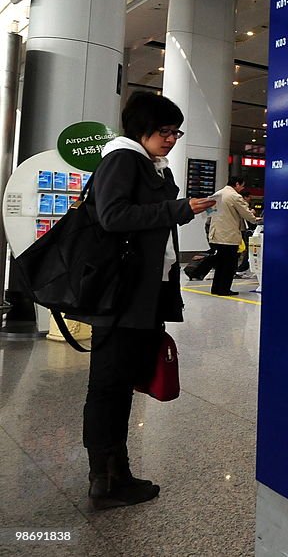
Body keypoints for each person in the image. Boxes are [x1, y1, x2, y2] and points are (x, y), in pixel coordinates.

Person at [81, 91, 216, 509]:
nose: (172, 139)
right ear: (142, 129)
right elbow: (113, 216)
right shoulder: (123, 158)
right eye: (164, 131)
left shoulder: (149, 164)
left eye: (176, 132)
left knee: (119, 384)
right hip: (121, 294)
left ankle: (115, 474)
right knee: (109, 385)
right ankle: (105, 479)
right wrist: (177, 209)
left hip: (141, 292)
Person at [207, 176, 258, 295]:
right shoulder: (234, 196)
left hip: (215, 234)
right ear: (237, 184)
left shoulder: (217, 194)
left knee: (220, 264)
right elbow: (246, 214)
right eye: (242, 185)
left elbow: (210, 213)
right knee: (229, 265)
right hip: (228, 235)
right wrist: (255, 219)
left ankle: (216, 288)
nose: (242, 188)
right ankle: (224, 289)